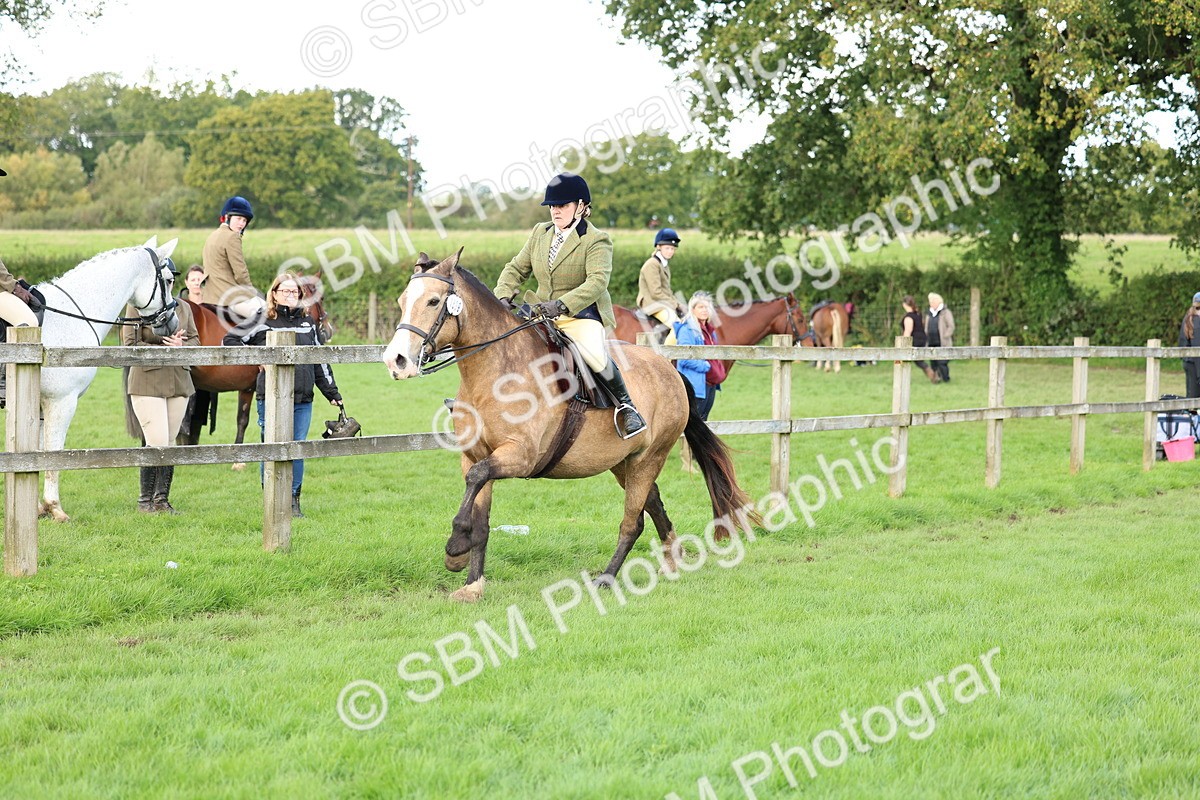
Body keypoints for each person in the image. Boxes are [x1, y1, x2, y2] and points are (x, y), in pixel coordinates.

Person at [494, 172, 646, 439]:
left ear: (581, 206)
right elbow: (516, 268)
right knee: (502, 342)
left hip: (580, 315)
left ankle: (627, 406)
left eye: (562, 206)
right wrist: (502, 295)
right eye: (552, 206)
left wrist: (563, 305)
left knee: (595, 354)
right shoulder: (540, 232)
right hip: (540, 312)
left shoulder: (596, 239)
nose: (555, 211)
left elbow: (597, 282)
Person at [223, 272, 342, 517]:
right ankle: (271, 498)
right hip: (271, 396)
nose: (290, 295)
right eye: (284, 290)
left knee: (296, 448)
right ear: (274, 294)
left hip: (302, 398)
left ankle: (292, 501)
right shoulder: (262, 319)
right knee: (271, 448)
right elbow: (230, 340)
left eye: (294, 291)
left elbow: (320, 360)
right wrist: (258, 359)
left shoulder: (308, 322)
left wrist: (332, 392)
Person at [123, 258, 199, 513]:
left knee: (169, 440)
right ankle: (145, 500)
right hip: (147, 379)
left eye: (171, 279)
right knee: (156, 440)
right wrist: (163, 347)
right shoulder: (137, 306)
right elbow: (130, 344)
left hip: (179, 380)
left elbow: (196, 341)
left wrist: (182, 346)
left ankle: (161, 500)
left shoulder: (184, 307)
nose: (169, 283)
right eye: (164, 279)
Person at [202, 195, 265, 327]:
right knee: (269, 314)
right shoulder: (232, 237)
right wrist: (252, 292)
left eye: (244, 220)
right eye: (238, 219)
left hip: (209, 296)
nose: (241, 224)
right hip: (229, 297)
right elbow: (240, 272)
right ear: (227, 217)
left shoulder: (212, 235)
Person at [637, 228, 684, 335]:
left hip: (662, 303)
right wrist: (675, 305)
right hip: (652, 303)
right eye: (667, 248)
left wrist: (678, 303)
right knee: (678, 327)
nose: (670, 251)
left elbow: (667, 291)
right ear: (658, 247)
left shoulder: (663, 264)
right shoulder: (652, 264)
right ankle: (666, 347)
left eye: (672, 249)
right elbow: (656, 292)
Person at [902, 295, 940, 384]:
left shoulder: (908, 317)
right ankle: (933, 376)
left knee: (918, 360)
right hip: (922, 338)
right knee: (919, 360)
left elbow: (908, 331)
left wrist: (903, 343)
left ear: (904, 304)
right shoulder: (918, 314)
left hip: (915, 340)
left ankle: (933, 376)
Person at [925, 292, 955, 383]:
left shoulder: (946, 312)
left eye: (932, 302)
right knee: (933, 362)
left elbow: (951, 326)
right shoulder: (929, 314)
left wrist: (945, 335)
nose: (931, 304)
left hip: (943, 342)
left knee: (942, 362)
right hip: (931, 341)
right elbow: (926, 327)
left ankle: (946, 379)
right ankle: (936, 379)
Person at [1179, 292, 1200, 398]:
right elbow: (1197, 347)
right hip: (1195, 364)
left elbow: (1181, 342)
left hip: (1188, 362)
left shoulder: (1188, 318)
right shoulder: (1196, 322)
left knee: (1191, 396)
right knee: (1194, 398)